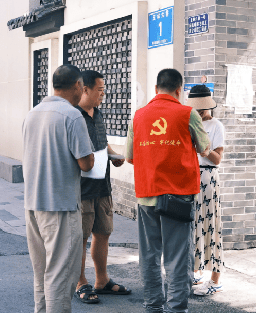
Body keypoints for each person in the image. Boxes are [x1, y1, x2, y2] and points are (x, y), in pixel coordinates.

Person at [125, 68, 210, 313]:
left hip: (147, 195)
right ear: (179, 90)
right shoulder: (188, 113)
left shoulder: (139, 116)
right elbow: (205, 150)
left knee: (150, 255)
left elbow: (130, 157)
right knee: (177, 257)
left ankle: (152, 306)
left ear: (155, 89)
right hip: (178, 197)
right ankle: (176, 309)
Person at [22, 64, 95, 313]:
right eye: (82, 87)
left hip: (32, 204)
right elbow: (86, 163)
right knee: (61, 277)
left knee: (41, 274)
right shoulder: (72, 115)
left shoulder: (33, 113)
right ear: (77, 85)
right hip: (60, 206)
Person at [73, 70, 130, 305]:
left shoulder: (98, 114)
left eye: (104, 91)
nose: (103, 95)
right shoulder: (73, 117)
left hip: (103, 186)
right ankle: (80, 282)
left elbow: (101, 141)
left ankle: (102, 280)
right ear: (85, 89)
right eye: (100, 90)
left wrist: (113, 155)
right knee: (80, 237)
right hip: (82, 187)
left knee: (103, 232)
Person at [185, 85, 225, 296]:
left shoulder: (216, 125)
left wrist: (204, 149)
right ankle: (195, 270)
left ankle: (215, 280)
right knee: (194, 225)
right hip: (190, 177)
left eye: (202, 108)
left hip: (208, 177)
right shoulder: (189, 122)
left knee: (211, 225)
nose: (200, 112)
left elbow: (218, 159)